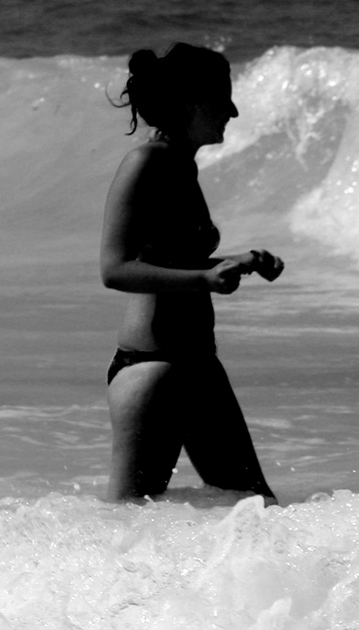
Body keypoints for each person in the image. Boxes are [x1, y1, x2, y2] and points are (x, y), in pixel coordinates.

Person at [99, 44, 283, 503]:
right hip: (155, 370)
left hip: (197, 365)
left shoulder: (182, 163)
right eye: (224, 98)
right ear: (191, 103)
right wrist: (204, 280)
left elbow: (170, 258)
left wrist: (238, 261)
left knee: (256, 507)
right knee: (128, 519)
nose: (233, 111)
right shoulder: (146, 162)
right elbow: (115, 269)